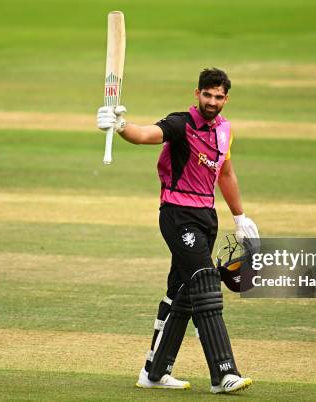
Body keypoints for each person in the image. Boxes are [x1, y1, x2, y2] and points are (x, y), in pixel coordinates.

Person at [96, 68, 259, 394]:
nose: (212, 101)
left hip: (206, 217)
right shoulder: (180, 124)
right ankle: (224, 373)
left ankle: (154, 372)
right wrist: (120, 125)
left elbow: (225, 173)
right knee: (204, 283)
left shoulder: (225, 130)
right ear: (196, 93)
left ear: (226, 98)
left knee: (181, 294)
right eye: (207, 95)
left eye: (218, 96)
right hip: (177, 215)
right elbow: (145, 135)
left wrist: (240, 217)